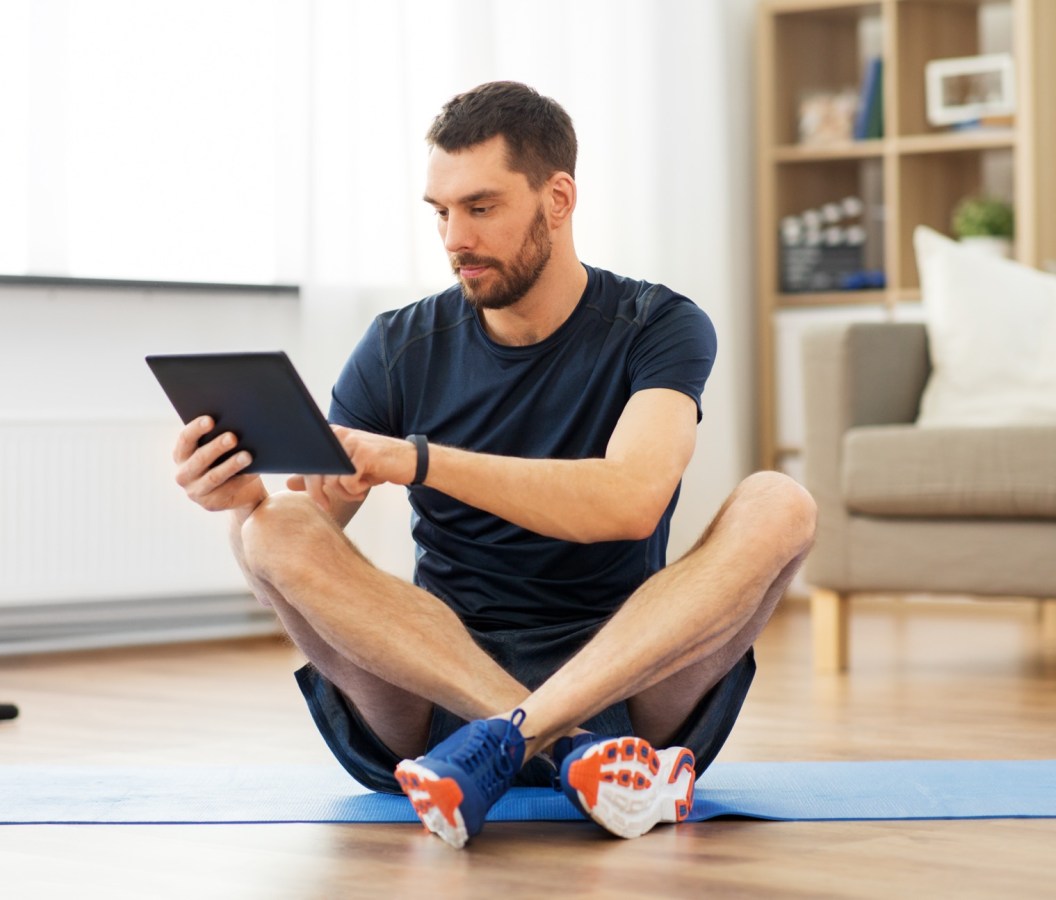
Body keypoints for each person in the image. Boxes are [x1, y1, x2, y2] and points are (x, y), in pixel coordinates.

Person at [173, 81, 816, 849]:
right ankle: (568, 747)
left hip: (623, 675)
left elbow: (630, 501)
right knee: (270, 528)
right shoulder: (397, 344)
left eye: (480, 208)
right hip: (436, 687)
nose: (454, 239)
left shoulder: (659, 325)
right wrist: (240, 500)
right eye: (440, 212)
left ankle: (524, 734)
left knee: (781, 502)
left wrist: (418, 461)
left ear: (558, 198)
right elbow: (303, 535)